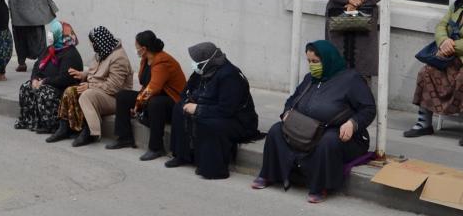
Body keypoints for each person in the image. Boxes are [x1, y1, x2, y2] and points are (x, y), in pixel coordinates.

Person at [252, 40, 376, 204]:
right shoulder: (310, 79)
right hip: (307, 128)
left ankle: (319, 186)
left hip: (340, 133)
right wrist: (287, 113)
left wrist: (353, 123)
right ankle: (269, 174)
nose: (312, 65)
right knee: (276, 130)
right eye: (309, 61)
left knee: (328, 141)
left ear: (328, 59)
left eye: (315, 62)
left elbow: (368, 108)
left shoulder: (351, 79)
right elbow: (292, 100)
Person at [165, 42, 260, 178]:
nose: (194, 64)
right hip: (211, 108)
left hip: (237, 120)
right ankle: (182, 155)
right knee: (179, 109)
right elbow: (187, 90)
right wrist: (189, 100)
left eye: (196, 61)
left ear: (207, 60)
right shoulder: (203, 69)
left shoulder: (229, 76)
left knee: (207, 123)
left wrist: (198, 108)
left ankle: (210, 167)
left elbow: (227, 109)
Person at [106, 31, 186, 161]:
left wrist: (138, 105)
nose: (136, 49)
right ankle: (124, 137)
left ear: (144, 48)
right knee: (122, 96)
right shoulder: (145, 58)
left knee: (155, 102)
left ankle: (156, 148)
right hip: (155, 96)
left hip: (172, 102)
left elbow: (153, 88)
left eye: (137, 46)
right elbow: (146, 84)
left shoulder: (162, 61)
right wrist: (139, 102)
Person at [47, 26, 133, 146]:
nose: (92, 46)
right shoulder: (102, 52)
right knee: (70, 91)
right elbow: (96, 71)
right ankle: (65, 128)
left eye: (92, 43)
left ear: (100, 42)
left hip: (115, 97)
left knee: (87, 95)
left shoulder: (119, 57)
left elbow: (113, 87)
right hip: (100, 90)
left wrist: (90, 85)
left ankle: (90, 131)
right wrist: (83, 75)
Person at [403, 0, 463, 145]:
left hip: (455, 56)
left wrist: (451, 47)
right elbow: (441, 25)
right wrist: (443, 41)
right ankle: (424, 123)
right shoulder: (456, 6)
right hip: (450, 57)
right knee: (427, 71)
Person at [15, 20, 82, 133]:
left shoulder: (70, 54)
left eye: (53, 32)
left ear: (61, 34)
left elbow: (65, 78)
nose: (50, 34)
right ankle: (30, 121)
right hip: (46, 82)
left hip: (61, 87)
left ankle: (50, 125)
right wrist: (34, 79)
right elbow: (37, 65)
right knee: (26, 87)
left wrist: (45, 81)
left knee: (44, 92)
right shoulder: (51, 49)